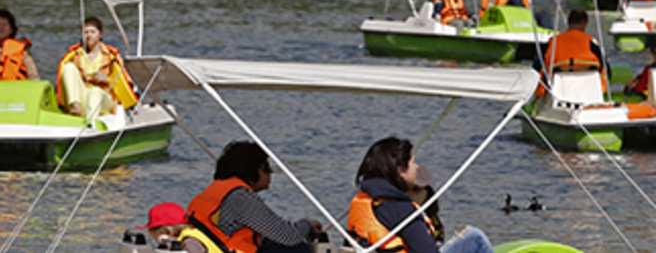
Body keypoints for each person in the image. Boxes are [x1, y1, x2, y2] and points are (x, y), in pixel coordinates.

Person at [350, 137, 492, 253]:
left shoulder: (365, 199)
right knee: (474, 237)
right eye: (413, 163)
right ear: (401, 170)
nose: (417, 167)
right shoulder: (401, 209)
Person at [184, 140, 322, 253]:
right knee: (296, 249)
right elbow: (287, 235)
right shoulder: (240, 197)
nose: (271, 171)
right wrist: (307, 225)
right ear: (252, 170)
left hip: (216, 247)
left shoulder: (213, 192)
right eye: (266, 167)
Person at [56, 16, 138, 118]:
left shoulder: (111, 56)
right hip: (84, 94)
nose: (89, 35)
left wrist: (107, 79)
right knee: (68, 67)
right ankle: (75, 106)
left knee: (95, 92)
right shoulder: (75, 55)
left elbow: (127, 83)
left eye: (92, 32)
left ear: (100, 34)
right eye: (86, 32)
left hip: (104, 97)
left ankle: (91, 124)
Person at [535, 8, 609, 95]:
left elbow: (536, 68)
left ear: (568, 23)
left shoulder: (553, 42)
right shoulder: (591, 43)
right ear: (585, 24)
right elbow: (607, 71)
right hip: (588, 91)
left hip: (558, 91)